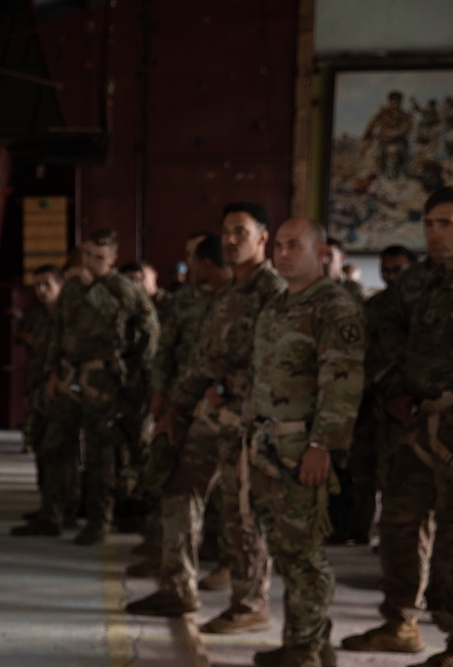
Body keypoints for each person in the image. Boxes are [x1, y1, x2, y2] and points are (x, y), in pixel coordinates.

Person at [126, 203, 284, 635]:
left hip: (248, 419)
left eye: (241, 232)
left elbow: (279, 365)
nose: (231, 240)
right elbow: (199, 360)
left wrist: (231, 388)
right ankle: (178, 587)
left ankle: (250, 603)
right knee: (178, 490)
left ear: (262, 238)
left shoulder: (275, 293)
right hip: (207, 414)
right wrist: (174, 409)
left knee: (241, 512)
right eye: (227, 232)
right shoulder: (228, 293)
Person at [343, 186, 453, 666]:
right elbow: (374, 324)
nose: (434, 232)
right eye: (429, 224)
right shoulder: (420, 282)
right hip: (412, 424)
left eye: (446, 223)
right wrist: (391, 387)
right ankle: (400, 622)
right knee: (400, 524)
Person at [246, 218, 365, 667]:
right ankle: (309, 644)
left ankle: (307, 649)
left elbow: (343, 380)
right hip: (267, 443)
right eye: (278, 245)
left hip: (302, 447)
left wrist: (323, 446)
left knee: (304, 553)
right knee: (285, 549)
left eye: (294, 245)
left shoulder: (333, 307)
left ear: (320, 252)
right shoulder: (278, 304)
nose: (282, 253)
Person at [13, 229, 158, 545]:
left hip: (105, 380)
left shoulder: (123, 289)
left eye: (99, 258)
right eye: (87, 255)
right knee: (54, 444)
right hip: (68, 377)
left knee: (99, 454)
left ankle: (98, 522)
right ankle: (53, 514)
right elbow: (57, 331)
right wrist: (52, 372)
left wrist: (134, 374)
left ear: (112, 259)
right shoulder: (71, 288)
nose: (91, 262)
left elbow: (147, 329)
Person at [128, 232, 234, 583]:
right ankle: (167, 554)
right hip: (182, 401)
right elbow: (166, 351)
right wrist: (160, 397)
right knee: (170, 475)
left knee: (227, 491)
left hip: (227, 404)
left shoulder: (239, 299)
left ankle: (224, 560)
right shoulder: (183, 301)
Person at [346, 245, 417, 546]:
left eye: (397, 270)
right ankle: (362, 530)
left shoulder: (424, 303)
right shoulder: (375, 307)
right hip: (374, 400)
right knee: (365, 469)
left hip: (412, 403)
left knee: (403, 479)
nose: (390, 277)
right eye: (385, 270)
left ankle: (396, 541)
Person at [13, 264, 67, 524]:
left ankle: (57, 512)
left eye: (48, 285)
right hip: (38, 391)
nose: (42, 290)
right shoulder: (39, 317)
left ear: (61, 285)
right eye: (38, 285)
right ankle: (47, 507)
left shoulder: (69, 317)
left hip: (62, 392)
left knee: (57, 452)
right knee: (41, 449)